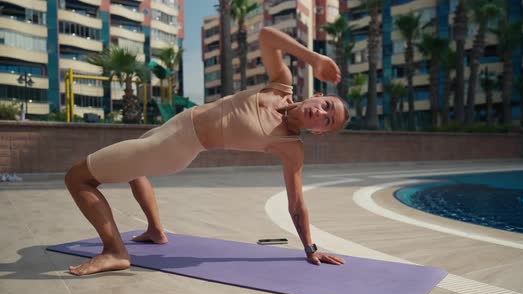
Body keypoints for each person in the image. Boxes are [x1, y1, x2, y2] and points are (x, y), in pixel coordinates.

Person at [64, 27, 349, 276]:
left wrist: (310, 248)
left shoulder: (291, 147)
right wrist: (315, 59)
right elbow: (265, 36)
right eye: (326, 106)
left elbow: (297, 204)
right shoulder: (280, 83)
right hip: (175, 126)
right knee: (134, 168)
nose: (320, 114)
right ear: (317, 96)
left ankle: (115, 251)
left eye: (327, 121)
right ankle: (155, 231)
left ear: (319, 131)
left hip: (175, 147)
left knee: (77, 178)